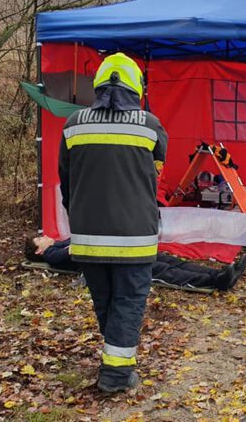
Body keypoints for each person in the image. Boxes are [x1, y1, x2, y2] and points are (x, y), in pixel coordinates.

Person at [58, 52, 168, 393]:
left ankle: (115, 357)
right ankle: (116, 375)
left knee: (105, 300)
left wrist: (78, 216)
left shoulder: (74, 124)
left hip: (87, 237)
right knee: (129, 301)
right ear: (136, 87)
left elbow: (67, 180)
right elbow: (157, 174)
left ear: (99, 84)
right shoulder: (150, 126)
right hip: (134, 237)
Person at [25, 235, 246, 291]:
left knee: (169, 260)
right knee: (163, 271)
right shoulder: (51, 254)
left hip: (120, 253)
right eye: (40, 239)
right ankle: (214, 281)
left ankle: (219, 273)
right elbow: (77, 249)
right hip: (113, 265)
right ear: (38, 249)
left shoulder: (60, 243)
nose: (44, 237)